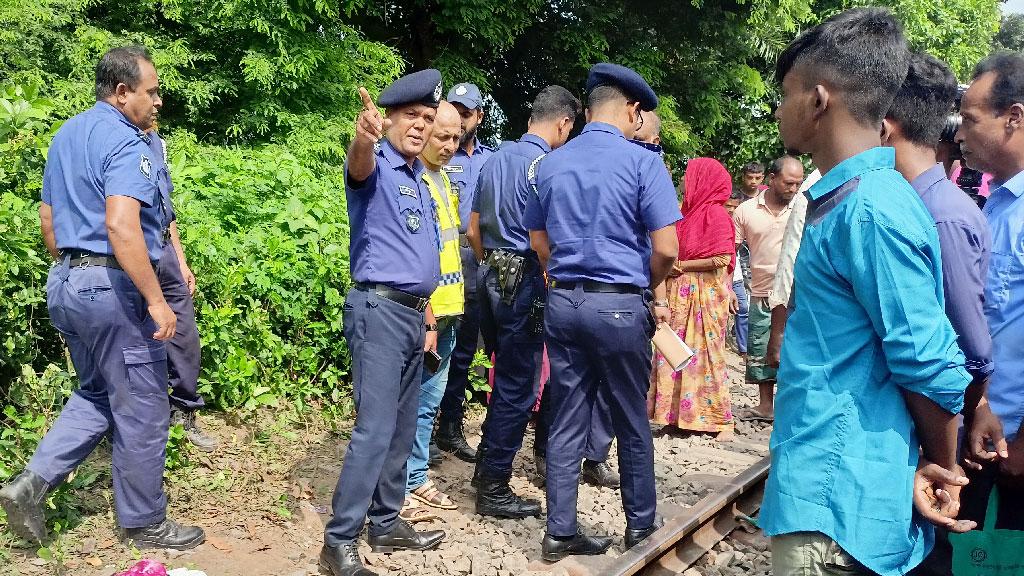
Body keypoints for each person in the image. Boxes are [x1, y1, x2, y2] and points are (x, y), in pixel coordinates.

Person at [763, 9, 971, 576]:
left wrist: (941, 464)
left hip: (832, 502)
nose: (779, 108)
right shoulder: (861, 201)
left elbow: (927, 360)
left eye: (786, 93)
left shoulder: (869, 210)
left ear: (818, 99)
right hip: (838, 479)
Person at [0, 46, 205, 550]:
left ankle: (30, 485)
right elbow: (121, 224)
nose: (158, 102)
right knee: (144, 405)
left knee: (97, 393)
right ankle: (144, 523)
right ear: (122, 92)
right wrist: (156, 300)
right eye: (151, 92)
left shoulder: (68, 134)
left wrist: (78, 270)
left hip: (68, 282)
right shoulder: (124, 139)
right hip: (113, 288)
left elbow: (49, 221)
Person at [525, 62, 680, 560]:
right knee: (631, 417)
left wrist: (567, 275)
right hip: (618, 307)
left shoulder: (551, 162)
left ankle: (559, 531)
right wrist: (643, 283)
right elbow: (669, 248)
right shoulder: (643, 163)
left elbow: (537, 239)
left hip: (564, 302)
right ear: (634, 111)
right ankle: (639, 530)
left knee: (568, 415)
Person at [319, 69, 446, 576]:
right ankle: (339, 540)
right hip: (378, 312)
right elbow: (358, 164)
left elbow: (418, 257)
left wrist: (430, 316)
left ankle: (387, 520)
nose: (420, 126)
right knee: (373, 430)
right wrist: (361, 138)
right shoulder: (376, 165)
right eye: (411, 116)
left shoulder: (420, 176)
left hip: (413, 316)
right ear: (388, 118)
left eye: (428, 119)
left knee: (400, 429)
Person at [882, 51, 996, 576]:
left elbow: (967, 347)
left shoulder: (938, 216)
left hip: (942, 422)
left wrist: (951, 444)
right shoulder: (923, 205)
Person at [466, 85, 580, 519]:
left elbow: (473, 228)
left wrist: (491, 265)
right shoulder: (548, 166)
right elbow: (547, 237)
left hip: (490, 271)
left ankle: (484, 468)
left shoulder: (492, 158)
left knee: (503, 375)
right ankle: (494, 485)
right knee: (520, 384)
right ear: (563, 123)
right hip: (527, 276)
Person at [955, 48, 1024, 532]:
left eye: (970, 119)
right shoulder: (995, 205)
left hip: (1014, 447)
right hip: (985, 434)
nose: (960, 134)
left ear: (1013, 119)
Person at [400, 101, 464, 523]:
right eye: (443, 136)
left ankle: (415, 476)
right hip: (429, 314)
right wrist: (428, 314)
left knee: (429, 400)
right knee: (415, 400)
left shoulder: (441, 179)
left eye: (456, 138)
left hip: (449, 309)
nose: (449, 145)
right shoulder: (414, 180)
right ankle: (406, 482)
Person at [648, 158, 737, 442]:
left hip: (704, 298)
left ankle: (718, 419)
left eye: (690, 178)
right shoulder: (685, 215)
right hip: (680, 295)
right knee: (674, 352)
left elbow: (722, 258)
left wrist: (682, 266)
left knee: (707, 355)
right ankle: (676, 416)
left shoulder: (716, 216)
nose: (685, 184)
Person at [435, 82, 495, 464]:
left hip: (482, 262)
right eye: (454, 110)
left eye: (466, 112)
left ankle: (450, 428)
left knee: (464, 350)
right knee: (437, 348)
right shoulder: (440, 155)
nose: (460, 118)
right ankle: (424, 430)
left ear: (479, 117)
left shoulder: (493, 159)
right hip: (446, 257)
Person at [147, 130, 217, 452]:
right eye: (150, 96)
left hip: (165, 253)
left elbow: (167, 214)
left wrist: (181, 260)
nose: (156, 106)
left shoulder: (157, 145)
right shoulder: (114, 142)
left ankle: (185, 413)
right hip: (134, 253)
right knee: (138, 338)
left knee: (184, 335)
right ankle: (142, 422)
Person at [731, 156, 804, 422]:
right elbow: (732, 251)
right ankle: (765, 405)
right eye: (788, 183)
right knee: (762, 347)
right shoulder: (745, 212)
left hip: (797, 293)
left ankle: (789, 406)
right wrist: (730, 286)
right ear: (771, 179)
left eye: (798, 184)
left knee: (793, 349)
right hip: (761, 291)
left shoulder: (803, 209)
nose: (793, 189)